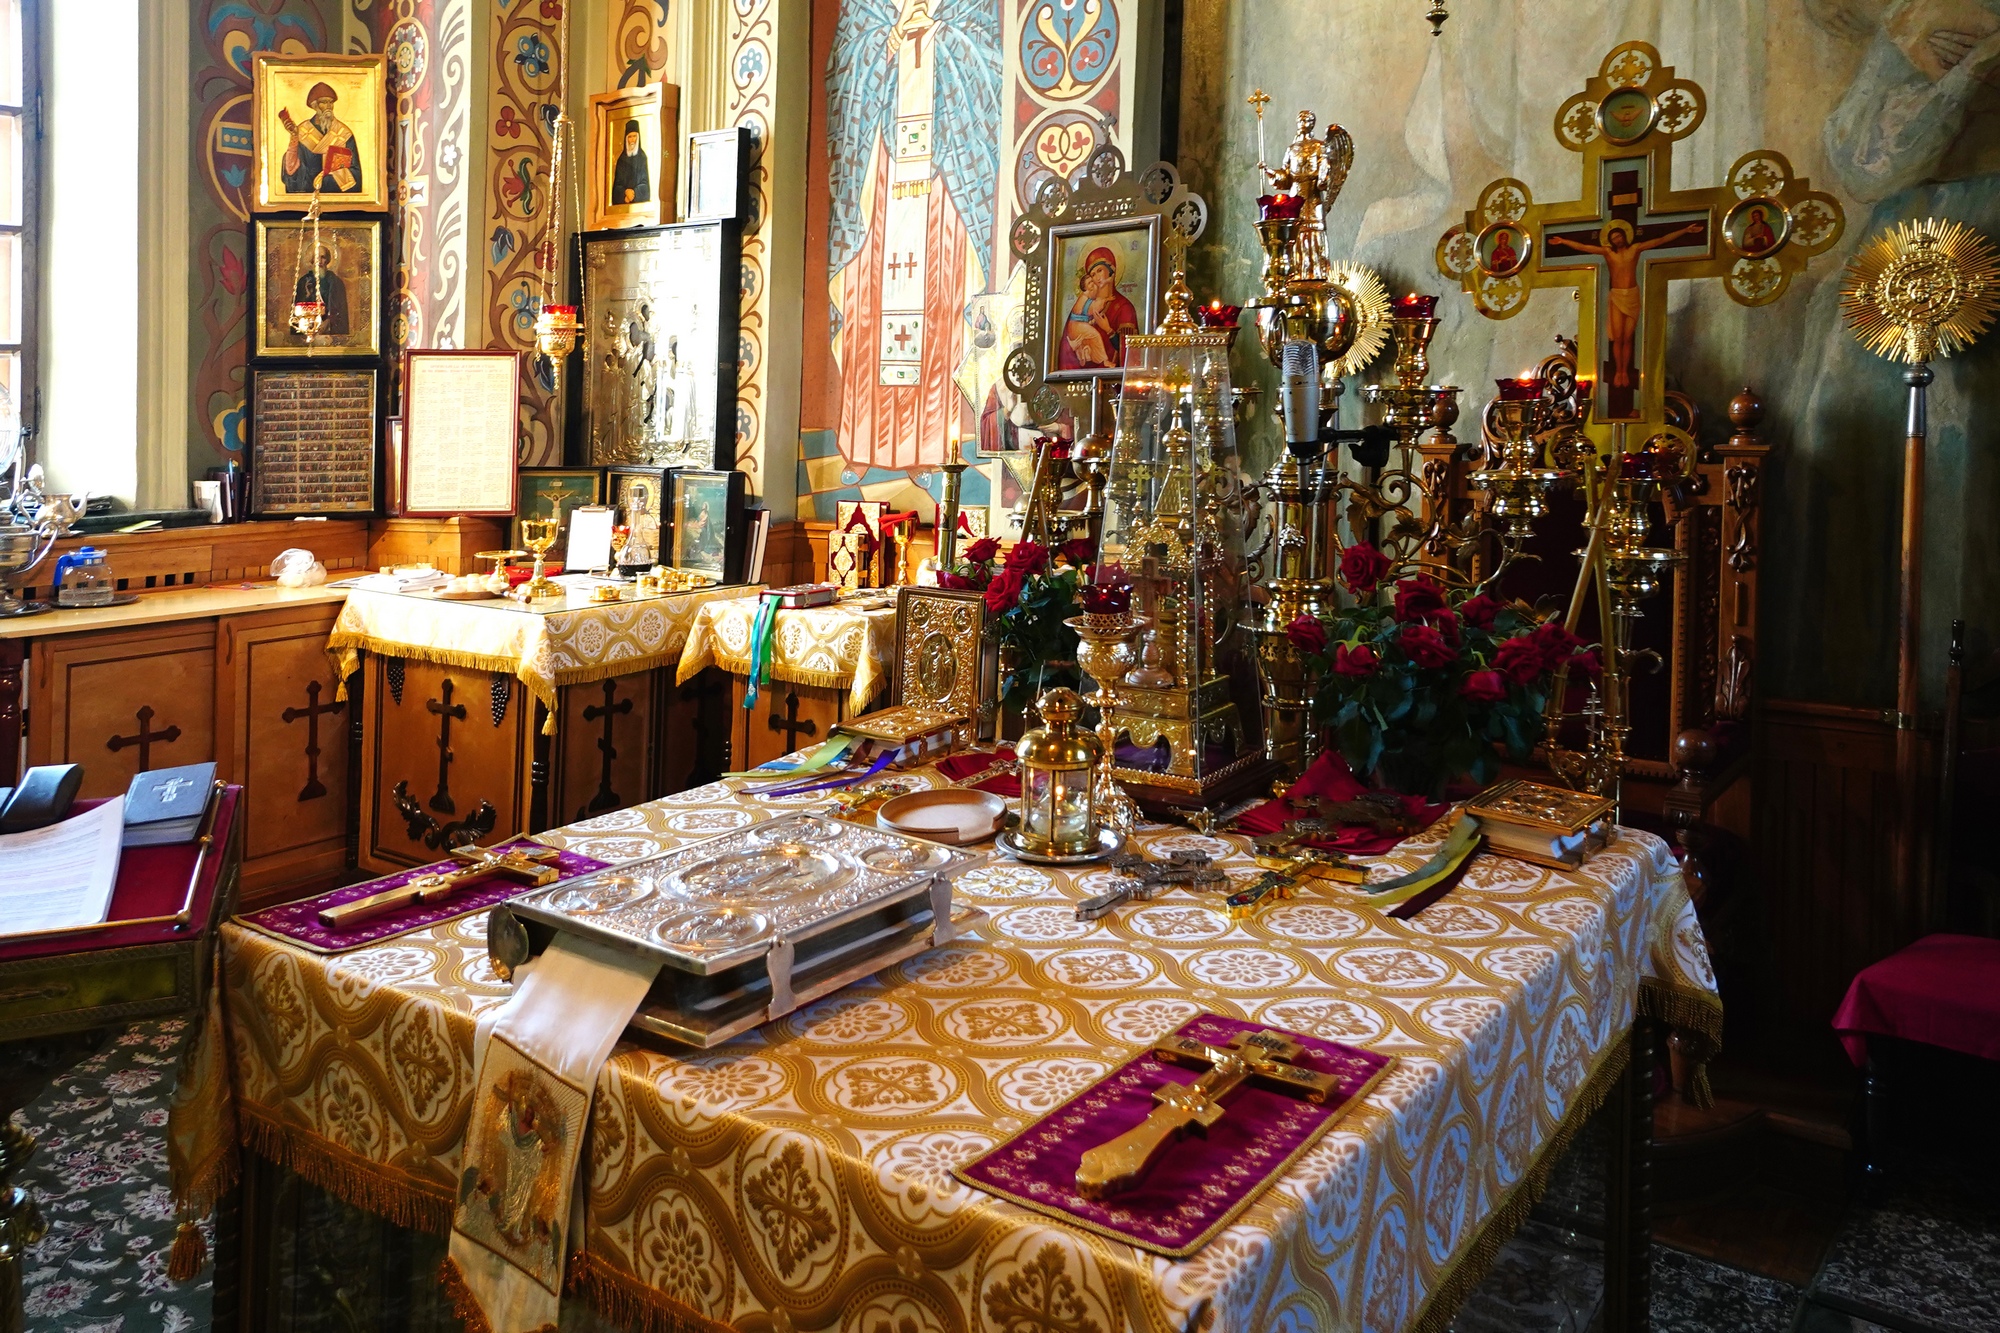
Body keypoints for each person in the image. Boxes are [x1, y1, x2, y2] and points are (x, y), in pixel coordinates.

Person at [1546, 218, 1702, 388]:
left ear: (1625, 236)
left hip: (1633, 296)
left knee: (1628, 337)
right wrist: (1563, 241)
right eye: (1613, 238)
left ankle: (1624, 371)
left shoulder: (1635, 249)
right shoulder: (1608, 253)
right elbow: (1585, 247)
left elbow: (1660, 240)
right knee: (1618, 338)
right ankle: (1618, 371)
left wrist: (1685, 230)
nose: (1617, 240)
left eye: (1619, 236)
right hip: (1617, 296)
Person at [1058, 247, 1139, 371]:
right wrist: (1072, 347)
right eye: (1092, 275)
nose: (1097, 277)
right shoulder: (1083, 305)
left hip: (1113, 384)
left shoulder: (1124, 307)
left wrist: (1108, 330)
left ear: (1111, 269)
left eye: (1100, 270)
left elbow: (1129, 354)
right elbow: (1065, 352)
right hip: (1083, 381)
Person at [279, 82, 362, 195]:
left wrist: (327, 180)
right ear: (315, 105)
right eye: (323, 102)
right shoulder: (302, 131)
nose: (328, 106)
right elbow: (292, 170)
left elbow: (355, 172)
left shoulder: (344, 133)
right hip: (308, 193)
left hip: (335, 192)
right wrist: (294, 136)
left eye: (331, 102)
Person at [292, 245, 349, 337]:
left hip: (330, 329)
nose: (319, 261)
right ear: (312, 259)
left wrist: (329, 321)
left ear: (327, 260)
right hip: (309, 326)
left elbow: (341, 310)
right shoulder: (304, 282)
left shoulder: (335, 282)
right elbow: (297, 308)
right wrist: (307, 296)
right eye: (316, 257)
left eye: (322, 257)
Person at [611, 120, 650, 207]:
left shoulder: (642, 158)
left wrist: (634, 193)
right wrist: (624, 193)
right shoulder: (621, 160)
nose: (632, 140)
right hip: (624, 202)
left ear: (638, 138)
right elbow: (617, 185)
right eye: (630, 137)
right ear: (626, 138)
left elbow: (645, 184)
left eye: (634, 136)